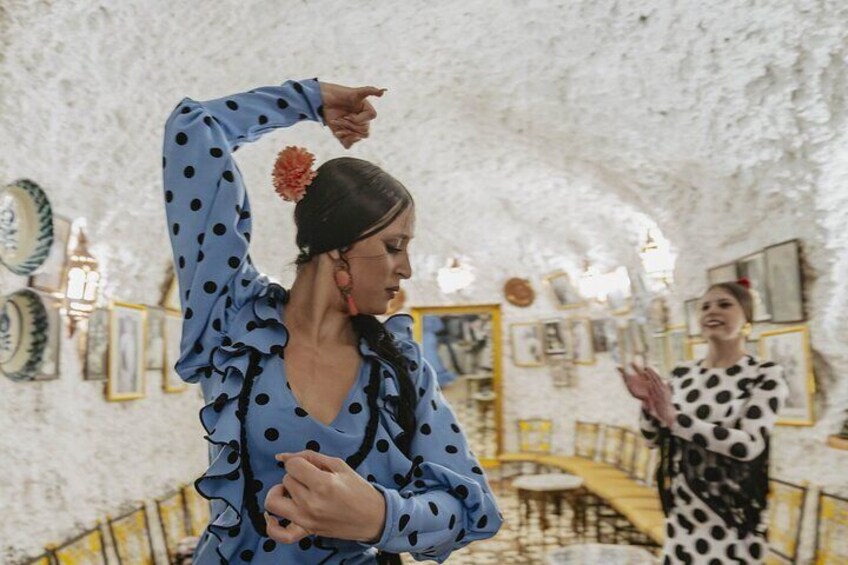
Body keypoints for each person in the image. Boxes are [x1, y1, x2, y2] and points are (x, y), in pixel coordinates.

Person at [162, 77, 502, 564]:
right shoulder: (234, 318)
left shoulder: (398, 365)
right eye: (393, 246)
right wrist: (307, 100)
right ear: (340, 246)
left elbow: (472, 508)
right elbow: (193, 129)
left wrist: (378, 517)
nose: (405, 268)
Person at [619, 280, 788, 564]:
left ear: (747, 318)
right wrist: (649, 406)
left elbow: (748, 445)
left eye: (725, 304)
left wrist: (675, 419)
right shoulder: (683, 374)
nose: (713, 311)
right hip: (683, 513)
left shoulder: (764, 374)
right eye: (705, 306)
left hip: (732, 516)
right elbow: (652, 439)